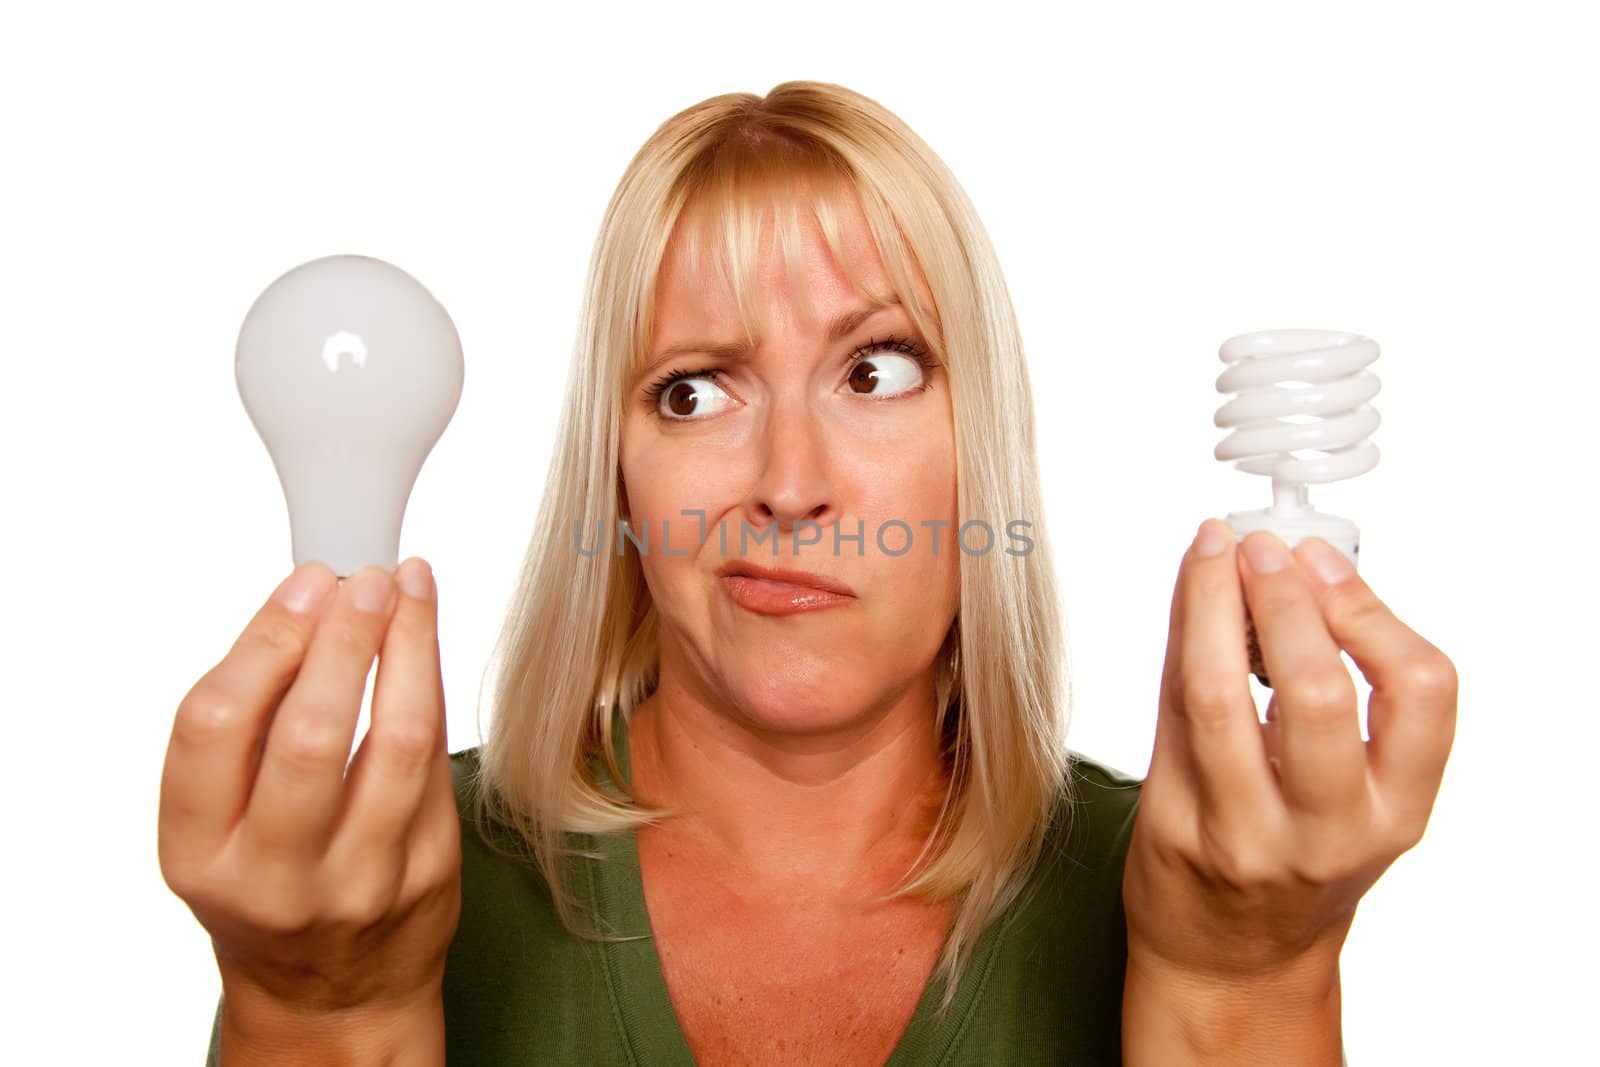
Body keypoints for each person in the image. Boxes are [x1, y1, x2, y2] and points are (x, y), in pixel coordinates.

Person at [163, 81, 1457, 1066]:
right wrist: (316, 1006)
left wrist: (1250, 979)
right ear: (617, 479)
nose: (789, 481)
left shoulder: (1206, 883)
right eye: (694, 389)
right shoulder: (366, 888)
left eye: (877, 369)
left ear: (981, 447)